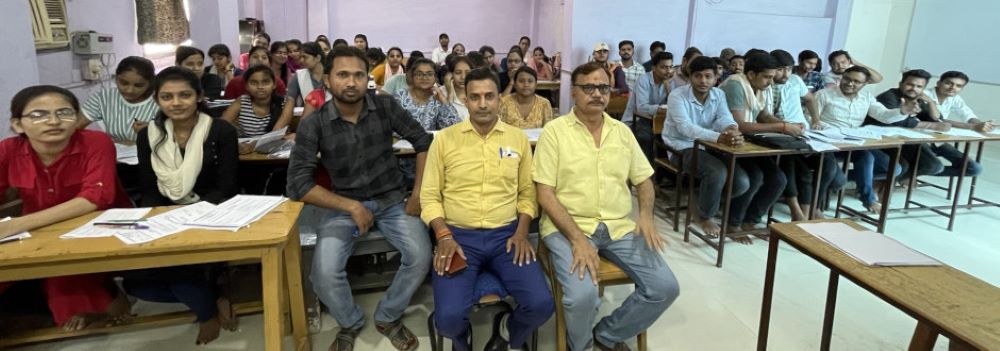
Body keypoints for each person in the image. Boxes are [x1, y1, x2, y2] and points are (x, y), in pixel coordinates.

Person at [286, 46, 432, 351]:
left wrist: (418, 193)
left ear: (368, 78)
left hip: (392, 200)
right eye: (342, 75)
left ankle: (388, 315)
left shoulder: (385, 106)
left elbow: (423, 141)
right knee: (323, 275)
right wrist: (350, 206)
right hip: (343, 204)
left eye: (358, 75)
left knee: (420, 257)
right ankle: (350, 322)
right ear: (327, 80)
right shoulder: (315, 123)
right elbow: (298, 184)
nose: (351, 82)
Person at [534, 62, 679, 351]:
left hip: (617, 226)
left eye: (603, 87)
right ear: (574, 92)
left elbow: (644, 180)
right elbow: (545, 194)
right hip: (568, 227)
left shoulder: (622, 132)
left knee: (665, 287)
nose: (597, 94)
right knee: (582, 297)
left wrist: (646, 216)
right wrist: (578, 239)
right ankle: (581, 345)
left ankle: (607, 334)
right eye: (588, 87)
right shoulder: (554, 132)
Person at [423, 67, 554, 351]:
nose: (482, 104)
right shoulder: (444, 140)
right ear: (465, 100)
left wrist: (522, 232)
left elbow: (527, 193)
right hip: (458, 238)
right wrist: (443, 235)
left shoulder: (518, 139)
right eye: (475, 97)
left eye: (489, 96)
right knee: (448, 320)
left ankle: (508, 331)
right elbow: (430, 196)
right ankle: (462, 338)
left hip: (507, 236)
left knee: (541, 304)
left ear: (499, 99)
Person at [0, 85, 132, 332]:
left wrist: (13, 225)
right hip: (37, 229)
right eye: (38, 115)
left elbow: (94, 198)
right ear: (18, 124)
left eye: (64, 112)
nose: (54, 121)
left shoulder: (96, 142)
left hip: (95, 224)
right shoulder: (8, 149)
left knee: (63, 279)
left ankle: (107, 301)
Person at [128, 67, 239, 345]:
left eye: (184, 95)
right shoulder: (148, 135)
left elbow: (226, 187)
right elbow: (149, 188)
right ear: (156, 99)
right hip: (165, 213)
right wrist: (162, 221)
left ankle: (206, 313)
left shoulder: (220, 130)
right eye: (167, 97)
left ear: (199, 96)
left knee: (180, 268)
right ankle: (215, 294)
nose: (176, 103)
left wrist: (189, 216)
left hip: (212, 211)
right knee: (135, 284)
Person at [661, 56, 746, 237]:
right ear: (690, 77)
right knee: (717, 172)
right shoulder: (677, 95)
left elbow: (724, 117)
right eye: (698, 76)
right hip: (681, 147)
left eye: (708, 76)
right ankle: (705, 216)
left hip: (709, 145)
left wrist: (731, 128)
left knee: (741, 182)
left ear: (716, 78)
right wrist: (719, 137)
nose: (703, 81)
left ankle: (699, 198)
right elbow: (685, 128)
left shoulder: (718, 94)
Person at [816, 66, 913, 212]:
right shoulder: (824, 94)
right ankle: (868, 199)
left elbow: (884, 115)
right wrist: (833, 130)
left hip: (854, 143)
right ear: (841, 77)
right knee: (866, 158)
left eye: (856, 81)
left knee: (893, 169)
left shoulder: (866, 97)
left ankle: (839, 179)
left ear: (865, 83)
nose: (850, 83)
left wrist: (902, 111)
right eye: (847, 79)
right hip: (828, 142)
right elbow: (811, 119)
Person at [768, 49, 844, 220]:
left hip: (804, 133)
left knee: (828, 163)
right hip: (780, 134)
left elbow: (810, 99)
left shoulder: (795, 80)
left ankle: (814, 207)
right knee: (800, 170)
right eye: (780, 69)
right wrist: (784, 126)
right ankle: (798, 211)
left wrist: (816, 119)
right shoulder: (766, 84)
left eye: (789, 69)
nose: (785, 74)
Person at [717, 53, 788, 235]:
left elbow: (764, 116)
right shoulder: (735, 85)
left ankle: (750, 220)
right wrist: (782, 126)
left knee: (778, 179)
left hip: (749, 144)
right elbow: (740, 125)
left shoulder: (759, 87)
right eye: (767, 77)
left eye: (772, 77)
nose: (770, 82)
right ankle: (733, 223)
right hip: (726, 143)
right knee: (754, 177)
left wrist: (788, 126)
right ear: (751, 74)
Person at [869, 69, 951, 181]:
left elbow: (934, 119)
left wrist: (931, 103)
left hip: (903, 140)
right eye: (910, 84)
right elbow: (897, 121)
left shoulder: (918, 99)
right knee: (903, 166)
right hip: (881, 140)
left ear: (923, 89)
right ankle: (884, 184)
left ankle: (890, 183)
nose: (914, 89)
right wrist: (932, 126)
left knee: (935, 166)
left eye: (919, 86)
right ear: (901, 84)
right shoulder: (889, 96)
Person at [77, 56, 160, 144]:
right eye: (124, 83)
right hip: (116, 150)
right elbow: (75, 126)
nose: (129, 90)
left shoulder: (160, 102)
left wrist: (153, 131)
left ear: (150, 82)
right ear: (116, 78)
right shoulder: (104, 97)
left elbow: (170, 135)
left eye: (138, 86)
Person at [622, 51, 675, 161]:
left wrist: (668, 88)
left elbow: (674, 105)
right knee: (645, 137)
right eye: (664, 67)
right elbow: (641, 108)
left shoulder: (670, 81)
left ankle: (662, 169)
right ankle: (645, 168)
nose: (668, 71)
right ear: (654, 68)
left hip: (656, 120)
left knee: (670, 137)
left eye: (670, 67)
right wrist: (660, 109)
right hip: (636, 120)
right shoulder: (643, 80)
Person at [222, 65, 288, 140]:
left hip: (275, 144)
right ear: (247, 86)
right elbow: (221, 126)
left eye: (265, 82)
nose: (260, 87)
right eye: (254, 83)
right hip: (245, 145)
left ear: (274, 85)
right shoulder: (242, 101)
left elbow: (278, 134)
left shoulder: (284, 103)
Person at [223, 45, 288, 99]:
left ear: (269, 63)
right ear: (248, 60)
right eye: (255, 57)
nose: (259, 60)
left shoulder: (278, 83)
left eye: (264, 57)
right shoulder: (235, 83)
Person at [285, 42, 326, 110]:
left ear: (318, 58)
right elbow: (290, 100)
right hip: (309, 115)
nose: (301, 60)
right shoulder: (299, 75)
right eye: (300, 57)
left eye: (305, 57)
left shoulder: (331, 75)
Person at [444, 56, 473, 120]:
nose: (463, 77)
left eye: (467, 73)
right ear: (450, 75)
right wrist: (450, 94)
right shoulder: (441, 93)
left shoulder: (478, 91)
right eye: (458, 73)